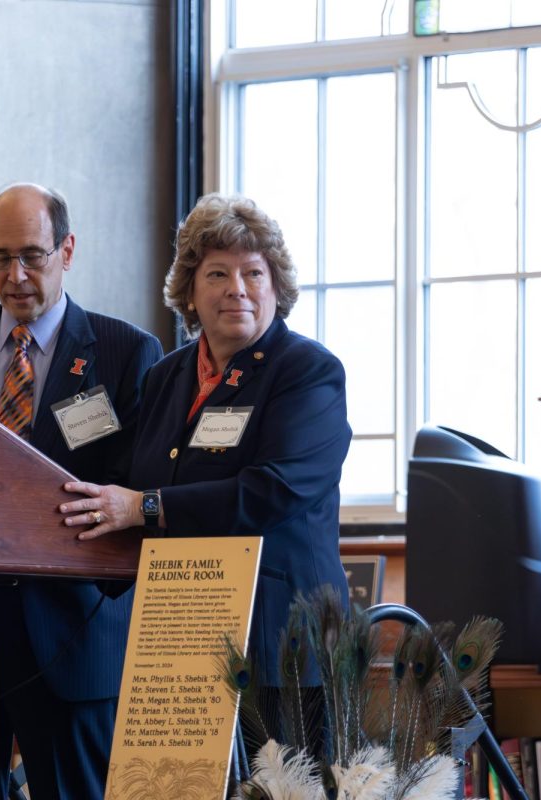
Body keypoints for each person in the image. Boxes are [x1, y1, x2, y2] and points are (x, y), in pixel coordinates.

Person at [0, 182, 163, 800]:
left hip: (70, 624)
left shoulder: (127, 353)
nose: (16, 275)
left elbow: (143, 485)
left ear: (67, 251)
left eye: (33, 255)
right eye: (0, 258)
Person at [59, 192, 351, 713]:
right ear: (190, 291)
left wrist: (145, 507)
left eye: (253, 274)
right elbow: (127, 478)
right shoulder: (164, 376)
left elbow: (272, 491)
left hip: (280, 644)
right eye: (217, 274)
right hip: (179, 640)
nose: (236, 290)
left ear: (275, 288)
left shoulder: (307, 371)